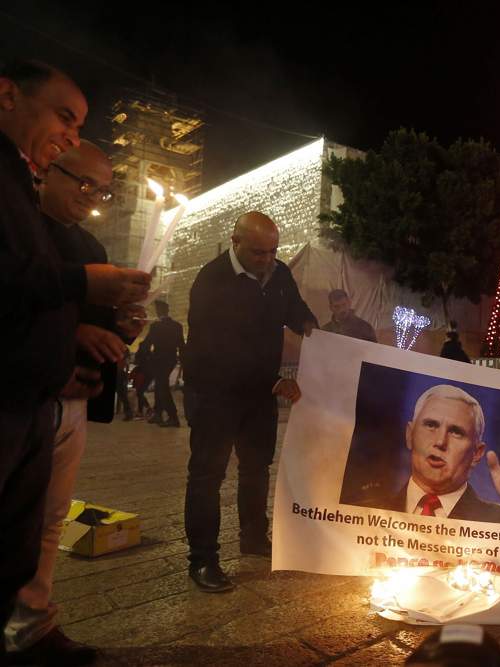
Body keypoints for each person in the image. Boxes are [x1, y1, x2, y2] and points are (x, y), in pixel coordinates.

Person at [0, 59, 149, 658]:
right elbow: (33, 291)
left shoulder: (85, 242)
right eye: (81, 182)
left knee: (41, 523)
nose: (91, 197)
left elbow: (88, 315)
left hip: (55, 402)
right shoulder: (18, 205)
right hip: (17, 392)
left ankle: (30, 624)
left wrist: (118, 330)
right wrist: (80, 295)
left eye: (102, 190)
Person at [182, 212, 317, 593]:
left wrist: (317, 335)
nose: (267, 260)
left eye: (273, 251)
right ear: (235, 242)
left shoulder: (278, 275)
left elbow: (296, 311)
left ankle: (254, 538)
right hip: (215, 392)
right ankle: (203, 559)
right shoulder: (212, 280)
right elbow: (218, 348)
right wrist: (274, 380)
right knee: (208, 474)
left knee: (257, 466)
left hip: (258, 396)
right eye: (258, 253)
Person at [362, 384, 500, 524]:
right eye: (431, 425)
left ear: (477, 454)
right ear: (410, 435)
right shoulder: (364, 508)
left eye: (456, 432)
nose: (440, 441)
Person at [140, 299, 185, 427]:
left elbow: (147, 343)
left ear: (159, 312)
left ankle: (173, 417)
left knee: (162, 387)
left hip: (158, 360)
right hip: (171, 359)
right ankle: (158, 414)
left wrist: (146, 356)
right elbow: (181, 345)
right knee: (161, 385)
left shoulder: (156, 326)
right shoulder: (177, 326)